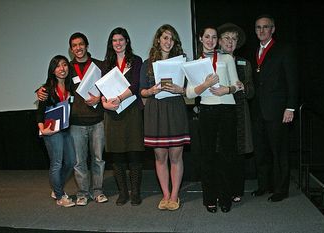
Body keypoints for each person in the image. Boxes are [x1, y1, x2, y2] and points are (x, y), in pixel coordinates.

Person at [37, 32, 108, 206]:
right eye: (74, 45)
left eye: (81, 44)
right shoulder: (67, 69)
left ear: (87, 45)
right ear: (71, 49)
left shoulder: (99, 66)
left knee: (98, 159)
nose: (78, 48)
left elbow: (109, 89)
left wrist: (99, 99)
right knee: (78, 162)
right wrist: (41, 91)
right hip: (75, 123)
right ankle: (83, 193)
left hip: (98, 120)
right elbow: (53, 84)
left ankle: (98, 191)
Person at [186, 26, 242, 213]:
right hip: (207, 110)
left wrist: (226, 89)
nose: (210, 40)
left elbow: (237, 85)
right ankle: (210, 198)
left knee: (227, 155)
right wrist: (206, 84)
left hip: (227, 109)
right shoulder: (195, 63)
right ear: (201, 39)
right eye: (207, 37)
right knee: (207, 155)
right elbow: (188, 92)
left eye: (214, 37)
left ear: (218, 40)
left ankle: (225, 197)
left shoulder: (226, 58)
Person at [139, 24, 190, 211]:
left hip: (175, 108)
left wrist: (181, 90)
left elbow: (190, 90)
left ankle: (175, 195)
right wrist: (151, 90)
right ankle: (165, 195)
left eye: (172, 38)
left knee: (176, 156)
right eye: (165, 38)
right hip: (155, 110)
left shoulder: (183, 62)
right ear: (158, 40)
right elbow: (141, 92)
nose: (168, 42)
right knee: (160, 156)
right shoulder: (147, 63)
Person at [250, 15, 298, 202]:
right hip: (258, 111)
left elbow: (293, 81)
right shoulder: (254, 51)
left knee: (279, 151)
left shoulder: (284, 50)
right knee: (261, 151)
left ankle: (281, 189)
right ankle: (264, 185)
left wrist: (290, 107)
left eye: (265, 27)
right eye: (258, 27)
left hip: (278, 111)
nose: (261, 31)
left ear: (273, 29)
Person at [101, 27, 144, 206]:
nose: (118, 43)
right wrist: (105, 103)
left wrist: (118, 98)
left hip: (132, 111)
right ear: (111, 44)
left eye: (121, 39)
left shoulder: (136, 60)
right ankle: (123, 193)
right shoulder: (106, 64)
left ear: (127, 41)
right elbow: (102, 88)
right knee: (117, 156)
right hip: (112, 114)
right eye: (114, 40)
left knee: (134, 153)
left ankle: (135, 193)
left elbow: (135, 86)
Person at [217, 23, 255, 203]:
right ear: (220, 41)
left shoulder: (244, 63)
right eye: (227, 38)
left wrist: (243, 87)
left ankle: (237, 190)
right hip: (220, 112)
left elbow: (251, 92)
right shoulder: (213, 61)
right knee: (222, 152)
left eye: (234, 38)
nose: (230, 42)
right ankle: (222, 189)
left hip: (240, 112)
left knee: (239, 152)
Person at [36, 55, 76, 207]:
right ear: (53, 70)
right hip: (52, 131)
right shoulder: (45, 89)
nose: (62, 69)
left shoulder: (71, 87)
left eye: (64, 65)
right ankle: (60, 196)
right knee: (57, 163)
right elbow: (40, 112)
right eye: (58, 66)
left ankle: (56, 188)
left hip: (66, 129)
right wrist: (42, 130)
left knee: (71, 161)